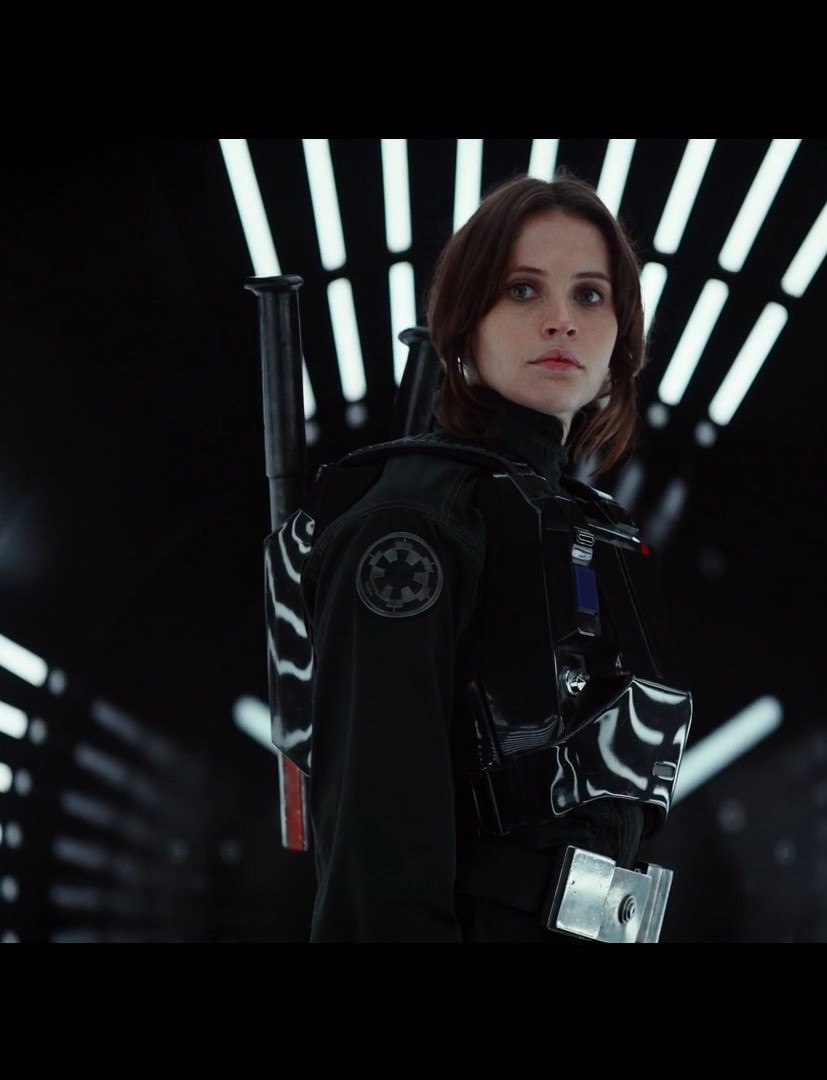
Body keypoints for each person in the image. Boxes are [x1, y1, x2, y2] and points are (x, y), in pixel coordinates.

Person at [265, 169, 693, 942]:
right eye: (522, 291)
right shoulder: (410, 526)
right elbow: (378, 864)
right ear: (464, 321)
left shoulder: (587, 522)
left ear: (622, 335)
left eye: (589, 295)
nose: (560, 321)